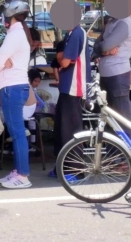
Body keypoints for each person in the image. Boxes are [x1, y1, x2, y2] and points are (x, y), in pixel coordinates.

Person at [0, 0, 33, 189]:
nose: (2, 18)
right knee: (17, 132)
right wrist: (3, 62)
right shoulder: (19, 33)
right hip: (16, 87)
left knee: (17, 133)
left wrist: (2, 63)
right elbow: (1, 62)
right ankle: (19, 171)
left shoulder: (14, 35)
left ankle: (23, 175)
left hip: (12, 88)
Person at [50, 21, 89, 179]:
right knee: (61, 129)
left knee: (71, 130)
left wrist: (62, 58)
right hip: (67, 87)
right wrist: (62, 58)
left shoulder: (77, 33)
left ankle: (75, 170)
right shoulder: (70, 34)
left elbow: (64, 61)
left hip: (74, 87)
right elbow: (62, 59)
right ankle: (61, 167)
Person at [99, 8, 131, 142]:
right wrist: (105, 51)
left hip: (118, 74)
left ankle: (130, 151)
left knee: (122, 118)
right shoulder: (111, 22)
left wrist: (104, 49)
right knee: (110, 118)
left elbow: (104, 46)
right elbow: (97, 46)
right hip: (106, 74)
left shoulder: (124, 22)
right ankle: (115, 151)